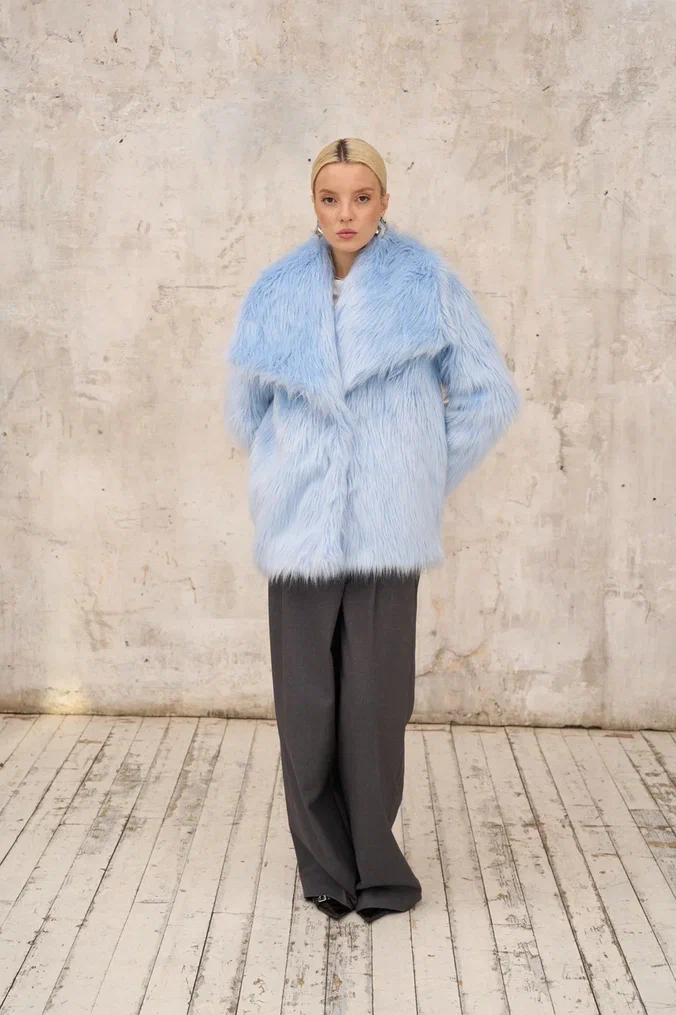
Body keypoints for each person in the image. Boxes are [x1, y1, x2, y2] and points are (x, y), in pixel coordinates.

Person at [223, 138, 521, 923]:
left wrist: (419, 474)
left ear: (384, 201)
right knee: (305, 702)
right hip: (300, 526)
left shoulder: (426, 282)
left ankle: (378, 867)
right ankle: (324, 867)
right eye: (331, 197)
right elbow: (244, 410)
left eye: (361, 197)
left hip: (389, 527)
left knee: (376, 702)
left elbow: (489, 393)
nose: (346, 213)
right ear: (313, 203)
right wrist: (287, 472)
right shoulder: (277, 290)